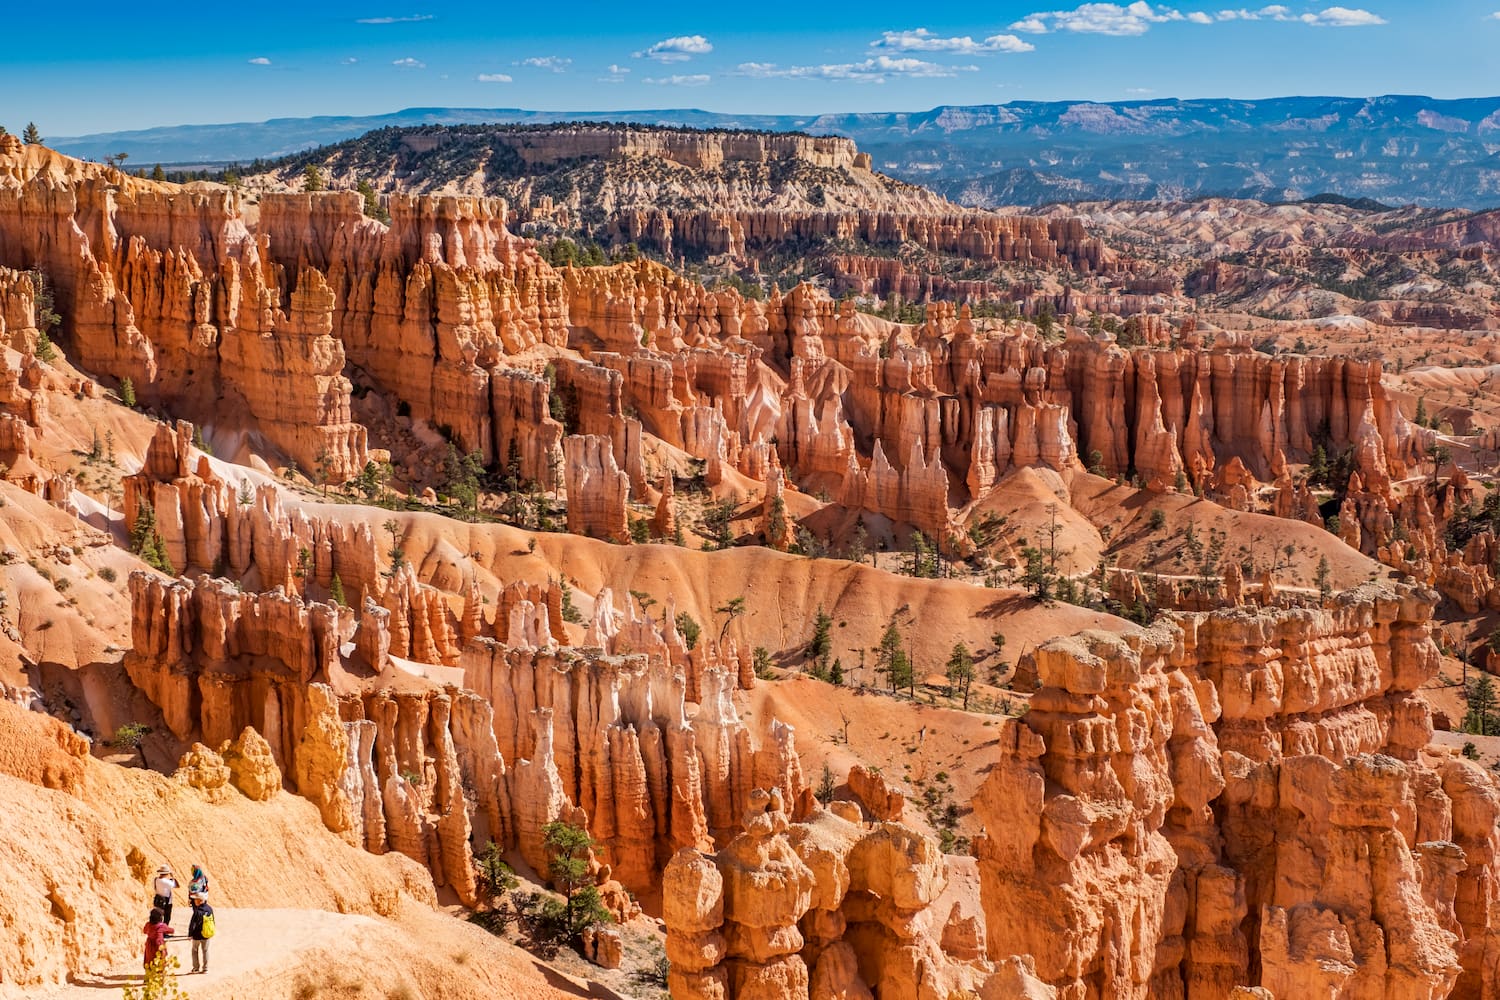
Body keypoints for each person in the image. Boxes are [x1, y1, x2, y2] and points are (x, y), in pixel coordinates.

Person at [187, 892, 214, 974]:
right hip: (206, 934)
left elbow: (192, 924)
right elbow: (212, 921)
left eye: (195, 899)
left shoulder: (197, 911)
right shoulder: (209, 909)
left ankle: (196, 968)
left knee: (194, 950)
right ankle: (205, 968)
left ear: (199, 901)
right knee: (205, 950)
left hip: (197, 935)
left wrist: (190, 934)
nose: (194, 901)